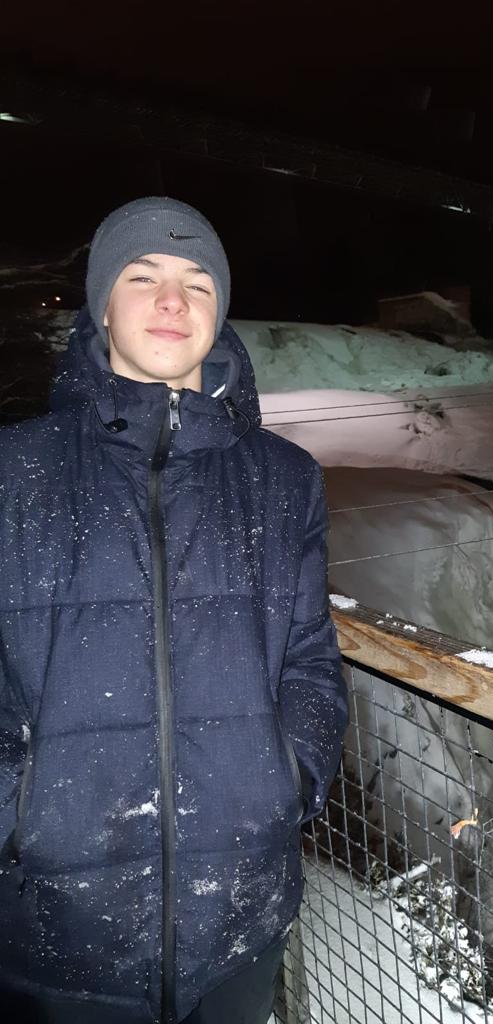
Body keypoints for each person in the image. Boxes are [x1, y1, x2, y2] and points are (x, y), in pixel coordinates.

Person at [0, 197, 348, 1023]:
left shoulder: (283, 478)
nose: (171, 300)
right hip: (58, 929)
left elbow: (310, 659)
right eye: (142, 276)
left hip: (238, 919)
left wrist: (289, 778)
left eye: (198, 282)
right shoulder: (17, 472)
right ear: (101, 305)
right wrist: (18, 813)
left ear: (218, 312)